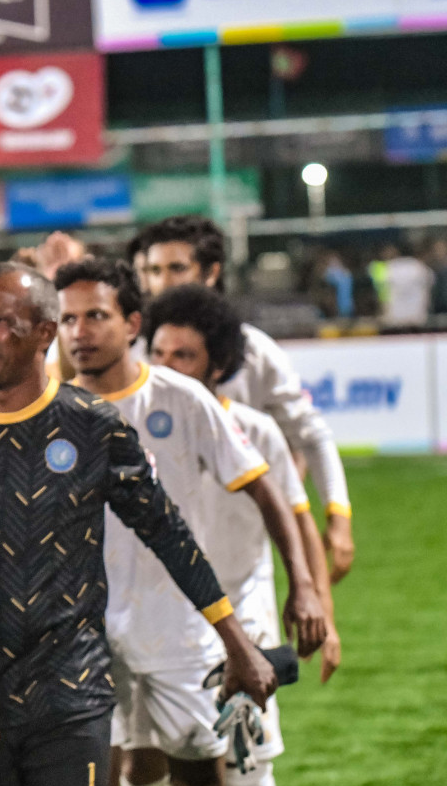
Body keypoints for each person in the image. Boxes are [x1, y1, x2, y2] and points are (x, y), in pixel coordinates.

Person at [0, 263, 279, 786]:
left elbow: (168, 532)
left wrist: (235, 639)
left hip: (73, 687)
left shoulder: (93, 427)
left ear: (42, 336)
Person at [54, 257, 324, 786]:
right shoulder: (51, 410)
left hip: (182, 632)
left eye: (96, 316)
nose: (79, 332)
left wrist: (307, 584)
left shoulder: (182, 401)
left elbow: (265, 491)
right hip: (85, 638)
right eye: (68, 318)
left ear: (131, 324)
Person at [143, 284, 340, 786]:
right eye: (160, 351)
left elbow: (291, 514)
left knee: (248, 767)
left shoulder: (256, 433)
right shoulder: (136, 422)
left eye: (186, 355)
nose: (169, 365)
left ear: (218, 364)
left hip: (244, 622)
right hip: (163, 625)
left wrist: (310, 595)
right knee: (162, 772)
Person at [133, 215, 355, 583]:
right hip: (153, 566)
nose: (163, 282)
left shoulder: (254, 352)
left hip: (242, 561)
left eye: (176, 268)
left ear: (210, 273)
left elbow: (311, 436)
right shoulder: (132, 356)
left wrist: (338, 515)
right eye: (153, 270)